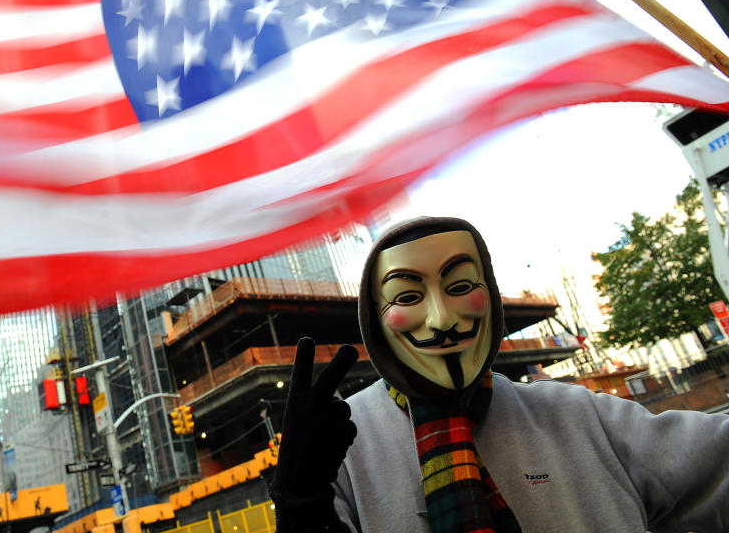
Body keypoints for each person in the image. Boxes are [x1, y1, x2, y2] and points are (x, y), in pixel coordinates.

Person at [267, 216, 729, 533]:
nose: (442, 319)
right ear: (373, 315)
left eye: (462, 286)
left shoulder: (577, 415)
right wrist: (301, 503)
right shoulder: (346, 446)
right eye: (407, 297)